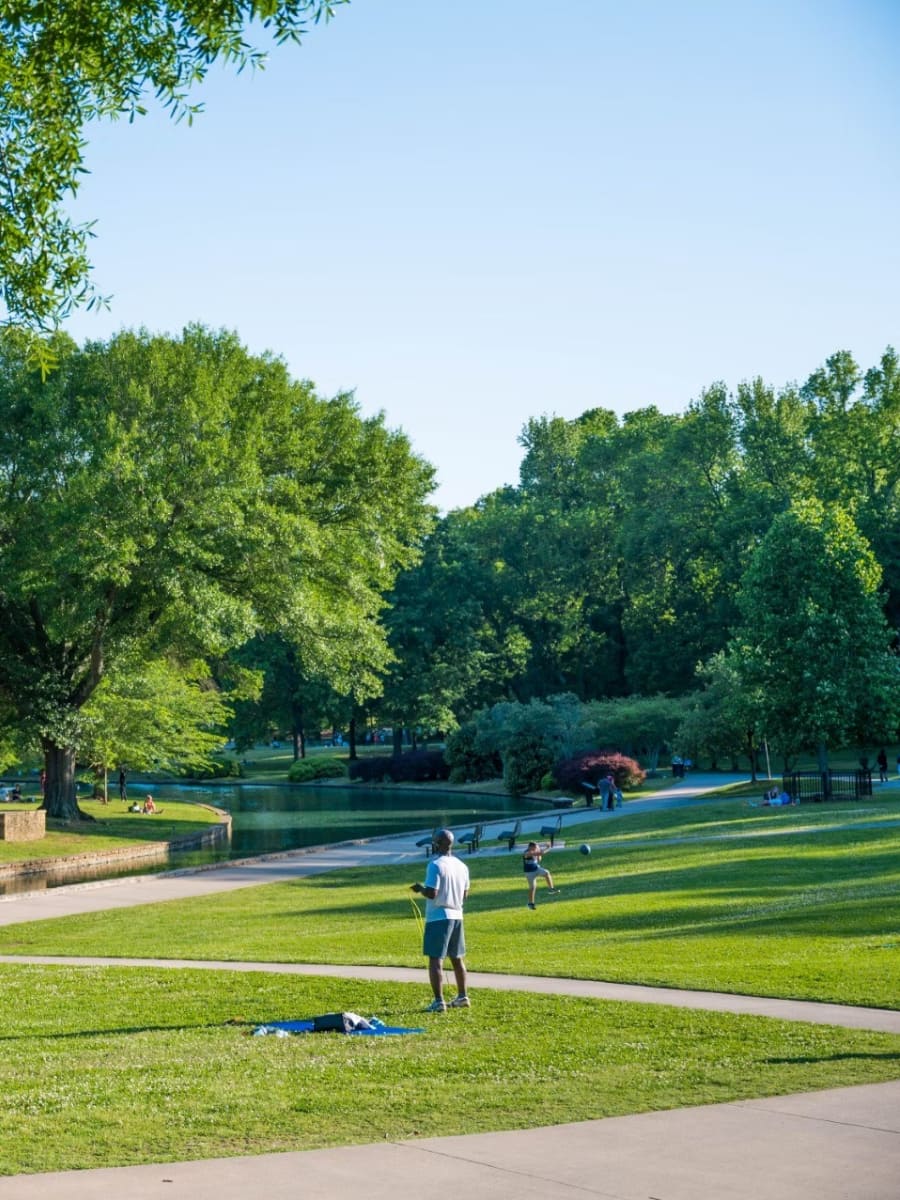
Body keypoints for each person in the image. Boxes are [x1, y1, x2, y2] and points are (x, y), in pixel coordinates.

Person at [410, 829, 470, 1012]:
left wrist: (420, 888)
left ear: (436, 844)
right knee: (457, 958)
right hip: (457, 915)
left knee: (436, 960)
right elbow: (465, 894)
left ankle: (438, 1001)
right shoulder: (462, 866)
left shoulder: (435, 865)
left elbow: (432, 892)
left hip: (438, 917)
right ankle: (462, 996)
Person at [522, 841, 559, 909]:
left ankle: (551, 889)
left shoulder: (535, 851)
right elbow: (540, 852)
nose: (535, 849)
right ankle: (530, 904)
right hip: (529, 873)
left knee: (546, 873)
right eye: (534, 848)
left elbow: (539, 860)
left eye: (536, 848)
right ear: (530, 847)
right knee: (532, 888)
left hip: (537, 869)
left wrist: (539, 855)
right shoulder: (527, 853)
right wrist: (548, 848)